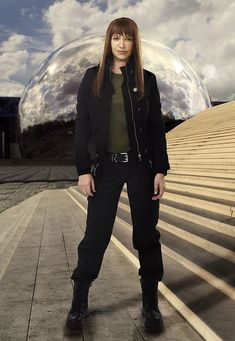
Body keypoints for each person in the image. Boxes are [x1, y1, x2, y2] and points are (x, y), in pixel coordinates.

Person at [66, 17, 170, 333]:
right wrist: (83, 170)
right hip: (105, 168)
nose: (122, 44)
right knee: (95, 236)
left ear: (134, 43)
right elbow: (82, 125)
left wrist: (160, 170)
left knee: (146, 235)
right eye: (116, 37)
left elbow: (155, 128)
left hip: (140, 166)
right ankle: (79, 303)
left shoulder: (146, 80)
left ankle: (150, 305)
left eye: (128, 38)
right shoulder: (91, 78)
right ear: (108, 41)